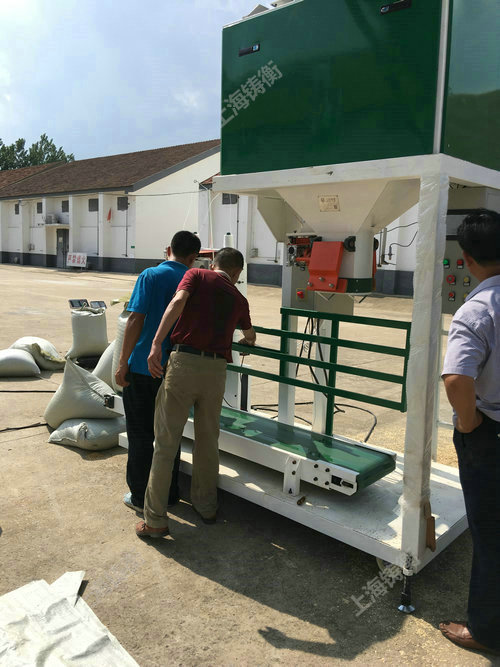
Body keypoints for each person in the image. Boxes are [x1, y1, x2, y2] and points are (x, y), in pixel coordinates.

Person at [135, 247, 256, 538]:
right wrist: (245, 340)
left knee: (166, 443)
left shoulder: (197, 275)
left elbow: (178, 301)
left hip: (184, 364)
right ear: (237, 273)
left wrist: (156, 343)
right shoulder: (239, 298)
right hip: (215, 372)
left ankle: (155, 520)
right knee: (207, 441)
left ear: (214, 264)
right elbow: (250, 336)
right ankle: (207, 506)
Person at [440, 209, 500, 653]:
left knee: (490, 533)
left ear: (466, 259)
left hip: (491, 433)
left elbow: (457, 379)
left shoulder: (478, 310)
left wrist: (469, 424)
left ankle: (486, 630)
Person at [115, 230, 201, 514]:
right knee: (169, 435)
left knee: (140, 433)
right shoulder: (196, 281)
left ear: (168, 249)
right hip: (177, 369)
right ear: (194, 257)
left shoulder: (150, 275)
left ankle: (141, 496)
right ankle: (169, 493)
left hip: (143, 367)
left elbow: (135, 319)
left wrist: (122, 363)